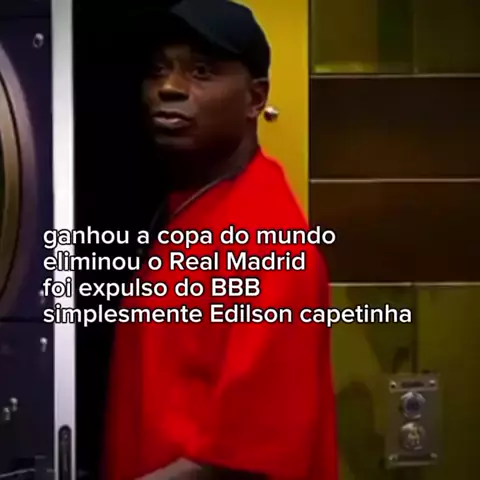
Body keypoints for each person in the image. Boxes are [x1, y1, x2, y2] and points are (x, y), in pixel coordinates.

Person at [104, 1, 338, 479]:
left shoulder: (269, 242)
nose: (169, 88)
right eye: (158, 70)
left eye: (201, 71)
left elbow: (241, 464)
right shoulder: (191, 208)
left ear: (255, 98)